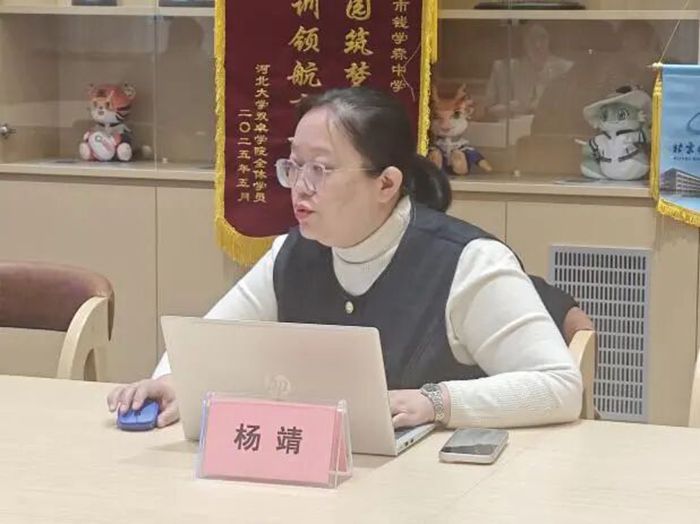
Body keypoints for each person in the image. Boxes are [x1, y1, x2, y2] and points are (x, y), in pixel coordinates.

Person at [108, 87, 587, 430]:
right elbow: (210, 341)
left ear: (386, 184)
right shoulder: (293, 253)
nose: (300, 186)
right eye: (294, 165)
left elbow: (559, 386)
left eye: (320, 168)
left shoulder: (468, 263)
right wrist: (171, 380)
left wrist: (438, 403)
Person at [483, 23, 573, 119]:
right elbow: (487, 111)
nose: (537, 45)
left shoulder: (566, 70)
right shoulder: (503, 69)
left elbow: (571, 110)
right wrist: (507, 109)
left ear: (551, 39)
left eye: (542, 38)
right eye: (532, 39)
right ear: (523, 41)